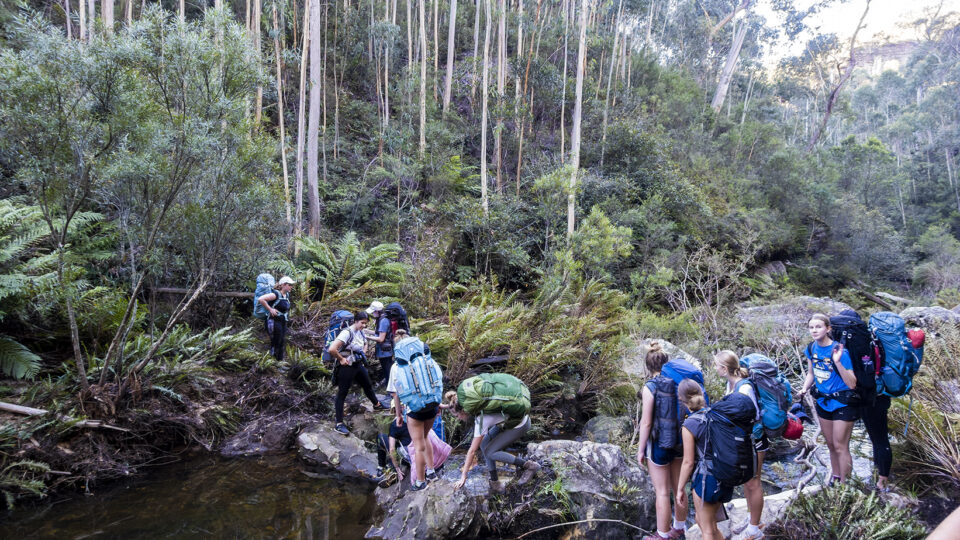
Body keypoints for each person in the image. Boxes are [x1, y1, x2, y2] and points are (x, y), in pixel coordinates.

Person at [799, 313, 859, 484]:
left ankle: (845, 486)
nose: (814, 330)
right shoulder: (811, 348)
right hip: (823, 402)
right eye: (811, 327)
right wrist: (804, 388)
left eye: (818, 327)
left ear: (828, 329)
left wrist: (838, 362)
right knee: (831, 445)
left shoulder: (840, 350)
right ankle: (836, 477)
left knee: (841, 446)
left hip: (843, 403)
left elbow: (852, 383)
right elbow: (811, 373)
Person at [636, 342, 688, 540]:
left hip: (659, 444)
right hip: (682, 441)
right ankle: (680, 527)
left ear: (648, 366)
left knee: (662, 492)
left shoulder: (650, 387)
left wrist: (641, 449)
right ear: (667, 362)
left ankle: (663, 534)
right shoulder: (680, 382)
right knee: (680, 488)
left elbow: (647, 423)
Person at [444, 390, 540, 493]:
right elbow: (456, 405)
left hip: (520, 424)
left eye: (457, 416)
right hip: (508, 421)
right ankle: (494, 482)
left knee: (490, 452)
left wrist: (463, 476)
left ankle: (530, 466)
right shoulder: (476, 405)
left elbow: (472, 451)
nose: (458, 419)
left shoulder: (481, 420)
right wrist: (445, 406)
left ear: (463, 411)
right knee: (484, 443)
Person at [713, 351, 765, 540]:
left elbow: (754, 414)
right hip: (743, 440)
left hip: (755, 439)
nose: (715, 368)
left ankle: (755, 528)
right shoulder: (731, 383)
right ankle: (752, 518)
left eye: (717, 366)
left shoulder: (744, 388)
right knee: (746, 480)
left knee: (754, 481)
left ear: (724, 368)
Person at [386, 333, 441, 491]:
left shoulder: (397, 367)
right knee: (426, 437)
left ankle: (420, 481)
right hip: (432, 405)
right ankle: (431, 472)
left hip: (414, 410)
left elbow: (395, 394)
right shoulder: (425, 359)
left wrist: (398, 415)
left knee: (418, 446)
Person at [675, 380, 726, 540]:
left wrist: (680, 488)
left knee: (707, 530)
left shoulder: (689, 424)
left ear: (682, 400)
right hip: (726, 476)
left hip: (707, 479)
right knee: (704, 521)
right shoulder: (716, 415)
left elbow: (688, 462)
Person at [328, 310, 387, 436]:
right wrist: (341, 359)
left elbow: (365, 342)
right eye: (362, 323)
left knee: (367, 385)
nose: (364, 326)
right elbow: (332, 349)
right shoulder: (347, 332)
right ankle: (339, 423)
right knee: (342, 393)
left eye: (365, 323)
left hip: (358, 364)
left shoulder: (360, 331)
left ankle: (377, 404)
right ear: (355, 321)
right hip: (347, 366)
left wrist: (363, 351)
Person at [257, 276, 295, 362]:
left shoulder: (286, 295)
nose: (291, 287)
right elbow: (261, 299)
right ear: (283, 285)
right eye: (290, 285)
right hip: (273, 321)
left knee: (281, 341)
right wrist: (270, 309)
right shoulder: (275, 294)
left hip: (282, 321)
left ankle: (279, 362)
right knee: (276, 341)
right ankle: (273, 362)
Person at [376, 415, 412, 486]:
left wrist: (397, 468)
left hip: (406, 456)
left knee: (380, 437)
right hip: (420, 451)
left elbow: (392, 449)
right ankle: (388, 465)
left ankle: (384, 466)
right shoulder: (417, 415)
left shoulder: (396, 423)